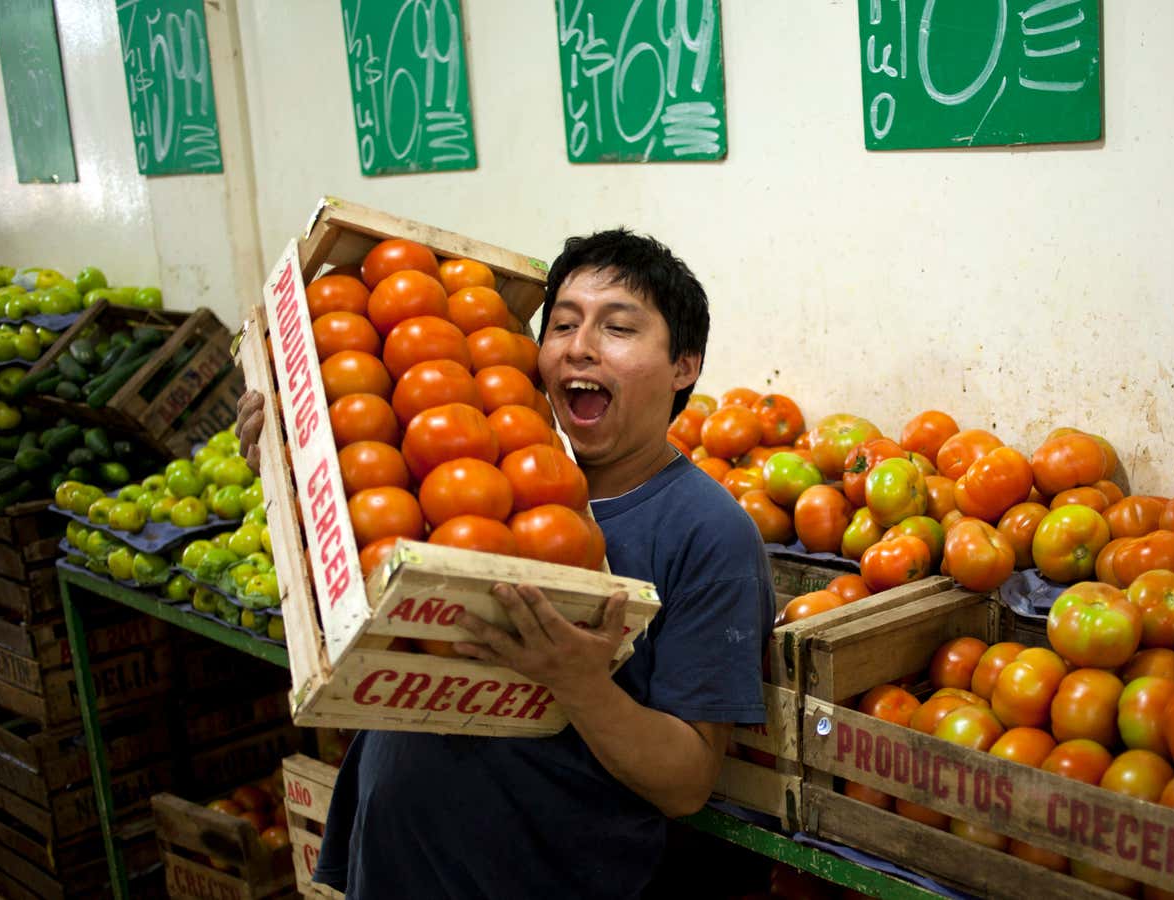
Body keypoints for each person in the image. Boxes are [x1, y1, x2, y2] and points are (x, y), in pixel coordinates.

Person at [236, 230, 774, 898]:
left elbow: (688, 781)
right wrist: (291, 467)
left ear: (684, 366)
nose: (579, 345)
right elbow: (362, 615)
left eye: (618, 328)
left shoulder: (710, 533)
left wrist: (580, 681)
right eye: (564, 323)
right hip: (391, 862)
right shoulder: (472, 464)